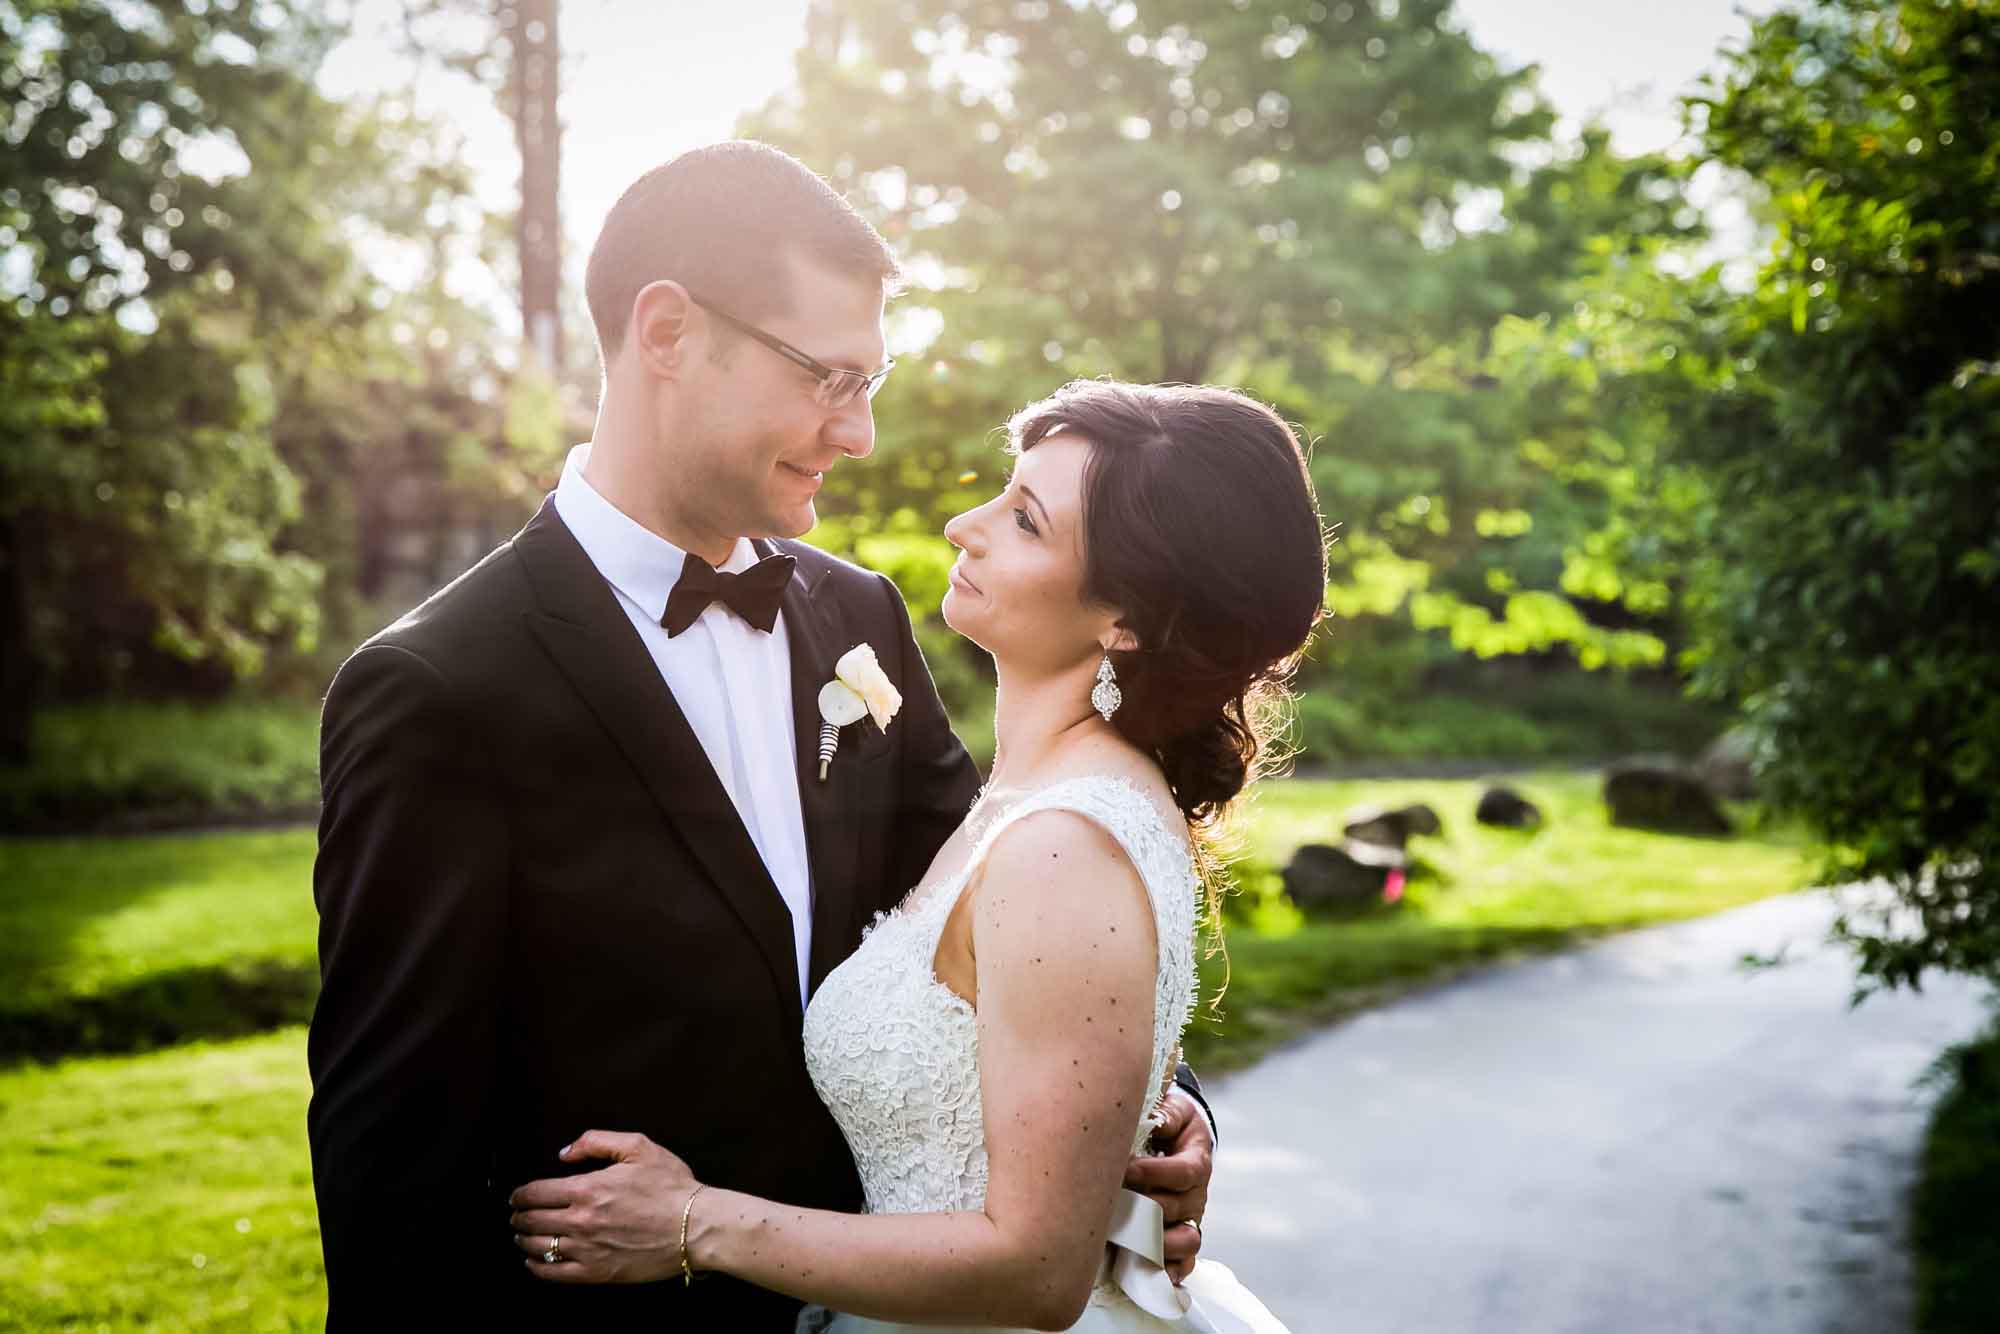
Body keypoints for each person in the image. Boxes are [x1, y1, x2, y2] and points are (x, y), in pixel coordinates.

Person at [306, 142, 1216, 1330]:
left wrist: (1164, 1101)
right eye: (830, 379)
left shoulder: (857, 617)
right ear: (669, 333)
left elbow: (995, 912)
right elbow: (392, 1178)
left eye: (869, 382)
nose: (862, 435)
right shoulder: (439, 690)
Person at [505, 379, 1325, 1332]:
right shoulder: (1024, 801)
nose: (960, 525)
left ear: (1127, 621)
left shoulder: (1065, 845)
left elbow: (1038, 1271)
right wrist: (1151, 1115)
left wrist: (694, 1221)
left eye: (1024, 520)